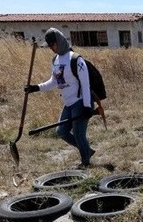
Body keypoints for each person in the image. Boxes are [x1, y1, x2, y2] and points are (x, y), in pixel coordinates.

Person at [24, 28, 101, 169]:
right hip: (68, 102)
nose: (52, 48)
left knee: (78, 134)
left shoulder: (76, 59)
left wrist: (86, 107)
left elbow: (85, 84)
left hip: (81, 101)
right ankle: (87, 151)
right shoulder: (56, 60)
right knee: (61, 132)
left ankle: (86, 163)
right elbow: (54, 81)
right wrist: (35, 88)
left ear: (60, 41)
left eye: (54, 44)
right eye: (50, 46)